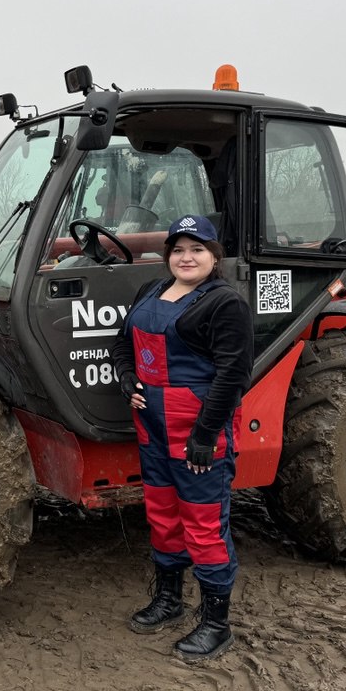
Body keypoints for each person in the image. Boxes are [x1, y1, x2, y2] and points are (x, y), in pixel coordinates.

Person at [110, 214, 253, 661]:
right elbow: (122, 346)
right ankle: (169, 600)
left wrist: (205, 436)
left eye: (197, 249)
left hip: (196, 432)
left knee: (204, 524)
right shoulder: (149, 292)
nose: (186, 257)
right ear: (168, 255)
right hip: (153, 431)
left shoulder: (224, 303)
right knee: (163, 516)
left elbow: (233, 376)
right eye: (178, 249)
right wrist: (127, 378)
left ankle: (216, 624)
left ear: (214, 256)